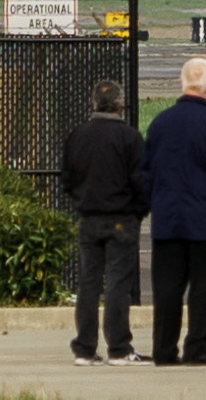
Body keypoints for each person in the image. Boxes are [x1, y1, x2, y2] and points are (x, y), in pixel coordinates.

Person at [142, 57, 206, 366]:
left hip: (168, 220)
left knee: (167, 289)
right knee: (204, 287)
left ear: (181, 82)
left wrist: (153, 206)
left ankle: (164, 348)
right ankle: (197, 345)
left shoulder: (160, 123)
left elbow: (146, 173)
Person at [62, 79, 151, 366]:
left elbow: (67, 178)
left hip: (88, 217)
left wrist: (81, 202)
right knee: (118, 283)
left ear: (93, 104)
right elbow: (141, 181)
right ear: (120, 105)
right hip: (121, 218)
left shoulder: (78, 135)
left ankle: (85, 349)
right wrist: (138, 211)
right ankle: (119, 348)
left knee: (88, 283)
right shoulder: (129, 137)